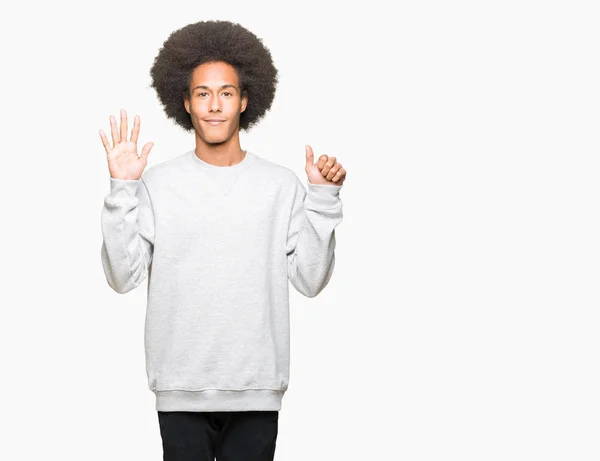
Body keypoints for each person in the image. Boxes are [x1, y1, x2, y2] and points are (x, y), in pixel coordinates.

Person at [99, 20, 346, 461]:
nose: (215, 105)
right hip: (180, 388)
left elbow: (310, 281)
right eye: (203, 93)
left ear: (245, 101)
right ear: (186, 103)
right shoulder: (157, 183)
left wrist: (323, 201)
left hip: (257, 389)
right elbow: (122, 278)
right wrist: (123, 190)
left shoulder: (280, 185)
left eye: (226, 93)